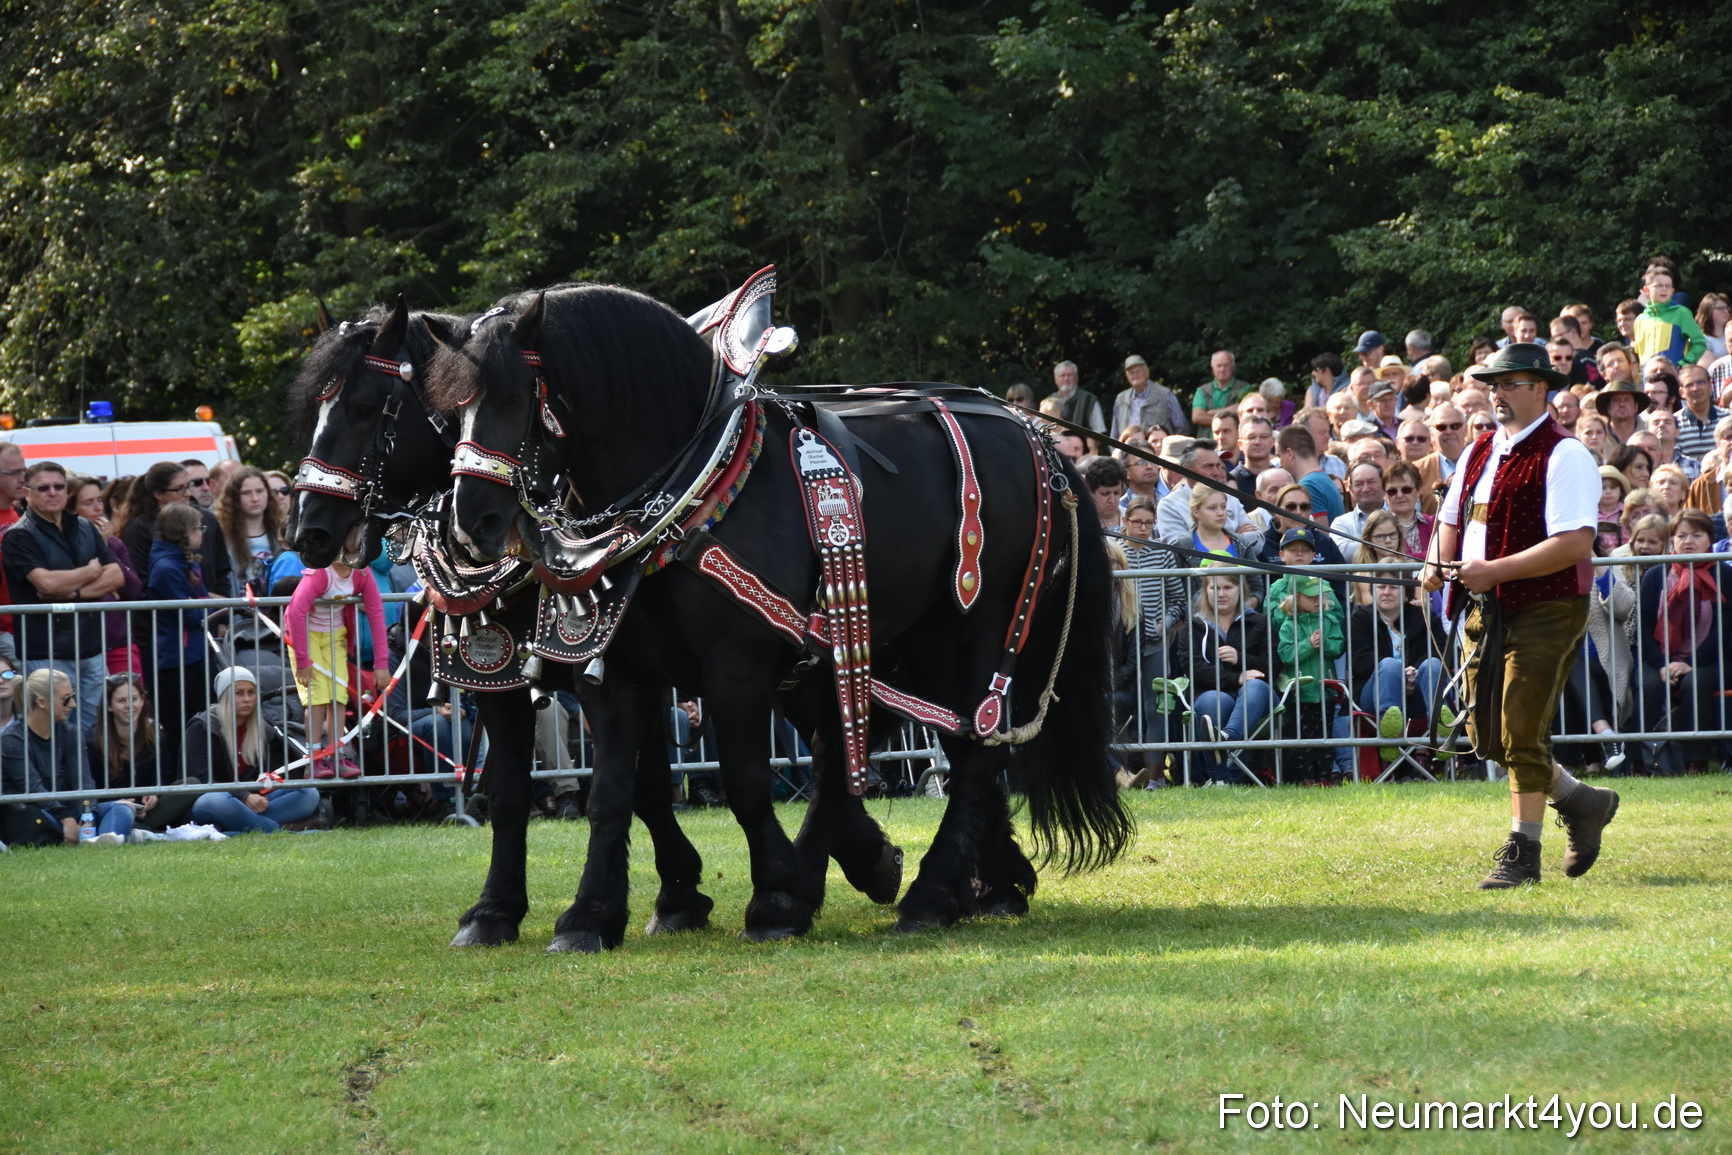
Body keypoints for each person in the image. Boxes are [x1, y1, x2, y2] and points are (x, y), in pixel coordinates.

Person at [1421, 341, 1618, 890]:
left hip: (1547, 607)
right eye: (1493, 384)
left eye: (1509, 384)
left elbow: (1576, 543)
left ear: (1541, 390)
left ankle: (1522, 853)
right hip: (1486, 606)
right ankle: (1584, 802)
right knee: (1490, 735)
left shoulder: (1566, 454)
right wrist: (1436, 563)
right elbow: (1451, 518)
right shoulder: (1479, 450)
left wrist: (1495, 570)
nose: (1497, 394)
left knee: (1520, 729)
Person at [1, 462, 124, 734]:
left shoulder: (83, 526)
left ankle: (87, 779)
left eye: (59, 486)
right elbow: (45, 583)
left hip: (91, 647)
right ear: (26, 493)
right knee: (52, 735)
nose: (53, 492)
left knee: (94, 733)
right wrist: (90, 572)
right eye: (43, 488)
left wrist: (72, 593)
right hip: (45, 653)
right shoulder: (18, 536)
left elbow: (116, 576)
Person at [1637, 509, 1732, 775]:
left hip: (1713, 659)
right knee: (1646, 683)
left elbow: (1724, 629)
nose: (1688, 541)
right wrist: (1663, 664)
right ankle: (1643, 761)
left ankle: (1696, 759)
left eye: (1696, 535)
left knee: (1695, 682)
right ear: (1672, 540)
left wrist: (1690, 663)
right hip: (1661, 657)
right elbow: (1644, 628)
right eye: (1681, 535)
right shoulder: (1656, 575)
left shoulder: (1724, 574)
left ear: (1710, 539)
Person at [284, 555, 390, 780]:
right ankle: (313, 758)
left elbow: (376, 612)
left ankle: (336, 754)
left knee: (339, 695)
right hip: (307, 636)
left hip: (335, 636)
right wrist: (302, 661)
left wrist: (382, 663)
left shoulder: (361, 573)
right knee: (317, 697)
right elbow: (295, 612)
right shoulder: (322, 573)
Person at [0, 669, 133, 845]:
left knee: (121, 808)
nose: (73, 704)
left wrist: (88, 816)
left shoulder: (71, 732)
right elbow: (34, 790)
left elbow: (83, 782)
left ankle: (95, 840)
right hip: (37, 813)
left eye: (73, 696)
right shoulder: (13, 738)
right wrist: (66, 819)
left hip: (72, 812)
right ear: (41, 702)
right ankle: (105, 836)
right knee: (39, 817)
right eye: (66, 698)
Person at [186, 666, 322, 834]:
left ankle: (236, 830)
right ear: (225, 697)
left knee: (309, 792)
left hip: (250, 804)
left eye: (251, 692)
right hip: (215, 800)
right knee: (214, 800)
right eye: (239, 693)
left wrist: (254, 796)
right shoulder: (203, 727)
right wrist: (244, 796)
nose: (247, 699)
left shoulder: (261, 729)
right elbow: (201, 780)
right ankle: (281, 831)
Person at [1169, 570, 1271, 785]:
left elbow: (1272, 665)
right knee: (1211, 699)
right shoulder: (1193, 627)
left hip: (1256, 698)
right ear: (1205, 591)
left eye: (1228, 587)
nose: (1221, 594)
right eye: (1215, 588)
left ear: (1240, 590)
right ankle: (1221, 777)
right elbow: (1194, 669)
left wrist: (1240, 658)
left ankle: (1228, 739)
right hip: (1212, 693)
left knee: (1255, 686)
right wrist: (1236, 679)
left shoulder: (1260, 622)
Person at [1555, 547, 1638, 777]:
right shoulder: (1550, 576)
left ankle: (1567, 767)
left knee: (1568, 667)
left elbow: (1623, 607)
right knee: (1565, 673)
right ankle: (1604, 739)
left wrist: (1595, 563)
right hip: (1567, 668)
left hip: (1607, 664)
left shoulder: (1603, 566)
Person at [1348, 576, 1449, 742]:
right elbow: (1359, 661)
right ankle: (1389, 734)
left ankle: (1441, 733)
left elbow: (1443, 649)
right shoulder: (1361, 619)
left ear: (1406, 593)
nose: (1387, 592)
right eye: (1381, 587)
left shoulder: (1423, 616)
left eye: (1393, 587)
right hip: (1374, 697)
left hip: (1418, 693)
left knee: (1434, 664)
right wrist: (1400, 676)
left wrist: (1414, 671)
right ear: (1374, 591)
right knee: (1389, 666)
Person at [144, 503, 212, 739]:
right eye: (198, 528)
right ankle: (176, 775)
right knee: (178, 726)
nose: (201, 532)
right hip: (176, 659)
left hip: (194, 652)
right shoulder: (166, 568)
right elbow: (191, 613)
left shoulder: (187, 562)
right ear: (184, 532)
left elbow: (201, 601)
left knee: (199, 719)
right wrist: (214, 608)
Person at [70, 477, 144, 675]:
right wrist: (108, 585)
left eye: (100, 500)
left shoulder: (114, 543)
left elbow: (133, 588)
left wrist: (104, 548)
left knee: (130, 700)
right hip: (81, 646)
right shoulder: (65, 545)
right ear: (72, 509)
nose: (98, 508)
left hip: (119, 642)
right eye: (89, 503)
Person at [215, 466, 284, 592]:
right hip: (238, 609)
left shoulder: (282, 534)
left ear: (268, 493)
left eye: (259, 491)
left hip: (277, 610)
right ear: (234, 497)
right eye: (246, 493)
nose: (255, 499)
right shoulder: (221, 537)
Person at [1632, 266, 1709, 367]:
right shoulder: (1640, 320)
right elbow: (1639, 352)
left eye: (1668, 286)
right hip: (1648, 377)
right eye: (1659, 286)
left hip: (1674, 375)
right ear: (1646, 290)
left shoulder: (1681, 313)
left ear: (1672, 291)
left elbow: (1699, 343)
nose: (1664, 289)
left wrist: (1685, 364)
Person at [1275, 424, 1345, 522]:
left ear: (1289, 453)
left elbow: (1321, 534)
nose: (1280, 464)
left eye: (1280, 457)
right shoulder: (1324, 479)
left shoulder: (1309, 485)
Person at [1112, 355, 1187, 439]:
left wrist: (1171, 448)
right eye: (1131, 372)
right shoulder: (1121, 399)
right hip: (1128, 450)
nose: (1135, 375)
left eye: (1138, 371)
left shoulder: (1165, 395)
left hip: (1158, 450)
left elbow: (1182, 427)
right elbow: (1114, 434)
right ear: (1127, 376)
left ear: (1146, 372)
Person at [1675, 362, 1725, 461]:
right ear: (1681, 392)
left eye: (1701, 382)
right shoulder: (1673, 422)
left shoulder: (1727, 418)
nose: (1696, 388)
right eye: (1689, 385)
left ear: (1710, 386)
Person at [1047, 360, 1106, 434]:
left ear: (1076, 378)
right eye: (1062, 375)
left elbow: (1099, 431)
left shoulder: (1089, 400)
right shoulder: (1049, 402)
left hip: (1081, 445)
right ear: (1056, 379)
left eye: (1069, 375)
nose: (1066, 379)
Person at [1193, 350, 1248, 427]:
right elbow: (1197, 417)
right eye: (1219, 366)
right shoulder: (1202, 390)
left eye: (1226, 365)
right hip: (1207, 438)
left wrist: (1212, 412)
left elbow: (1246, 412)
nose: (1222, 369)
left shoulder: (1245, 388)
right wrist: (1230, 414)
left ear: (1233, 367)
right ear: (1212, 368)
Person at [1696, 292, 1729, 362]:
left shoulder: (1729, 334)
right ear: (1708, 311)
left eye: (1727, 308)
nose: (1726, 311)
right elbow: (1708, 368)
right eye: (1720, 308)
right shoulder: (1702, 340)